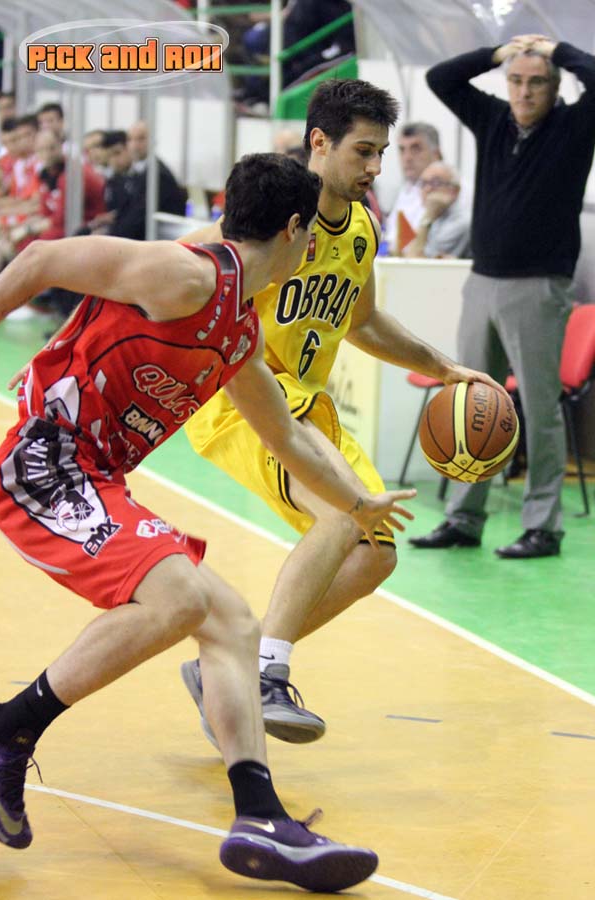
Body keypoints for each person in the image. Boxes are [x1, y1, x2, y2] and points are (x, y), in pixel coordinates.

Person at [0, 153, 415, 891]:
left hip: (96, 477)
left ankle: (260, 818)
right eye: (311, 234)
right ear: (294, 230)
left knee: (234, 627)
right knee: (181, 597)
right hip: (46, 462)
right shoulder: (183, 276)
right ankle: (8, 731)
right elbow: (37, 260)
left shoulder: (239, 332)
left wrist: (356, 503)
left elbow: (286, 439)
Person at [180, 79, 503, 745]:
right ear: (319, 142)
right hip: (244, 396)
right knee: (340, 509)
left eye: (382, 152)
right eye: (363, 151)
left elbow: (363, 320)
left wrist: (444, 366)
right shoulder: (274, 208)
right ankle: (265, 676)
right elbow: (180, 260)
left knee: (375, 552)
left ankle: (227, 665)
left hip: (307, 405)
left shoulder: (361, 226)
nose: (376, 167)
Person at [410, 34, 595, 559]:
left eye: (536, 82)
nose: (524, 92)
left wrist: (556, 50)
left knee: (538, 409)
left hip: (538, 287)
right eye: (515, 80)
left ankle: (543, 527)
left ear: (555, 88)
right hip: (483, 281)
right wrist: (498, 53)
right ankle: (464, 518)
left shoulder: (574, 126)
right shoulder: (492, 119)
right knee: (473, 402)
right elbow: (441, 78)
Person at [383, 121, 441, 255]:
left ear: (436, 154)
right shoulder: (406, 189)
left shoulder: (448, 189)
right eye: (402, 150)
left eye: (416, 149)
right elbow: (392, 240)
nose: (407, 157)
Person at [403, 160, 471, 259]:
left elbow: (415, 259)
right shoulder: (436, 216)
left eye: (435, 183)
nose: (427, 189)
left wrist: (427, 218)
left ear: (455, 191)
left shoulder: (461, 222)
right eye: (423, 183)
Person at [127, 120, 188, 217]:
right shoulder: (136, 171)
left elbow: (140, 215)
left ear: (152, 141)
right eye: (130, 139)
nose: (134, 145)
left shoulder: (158, 175)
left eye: (141, 139)